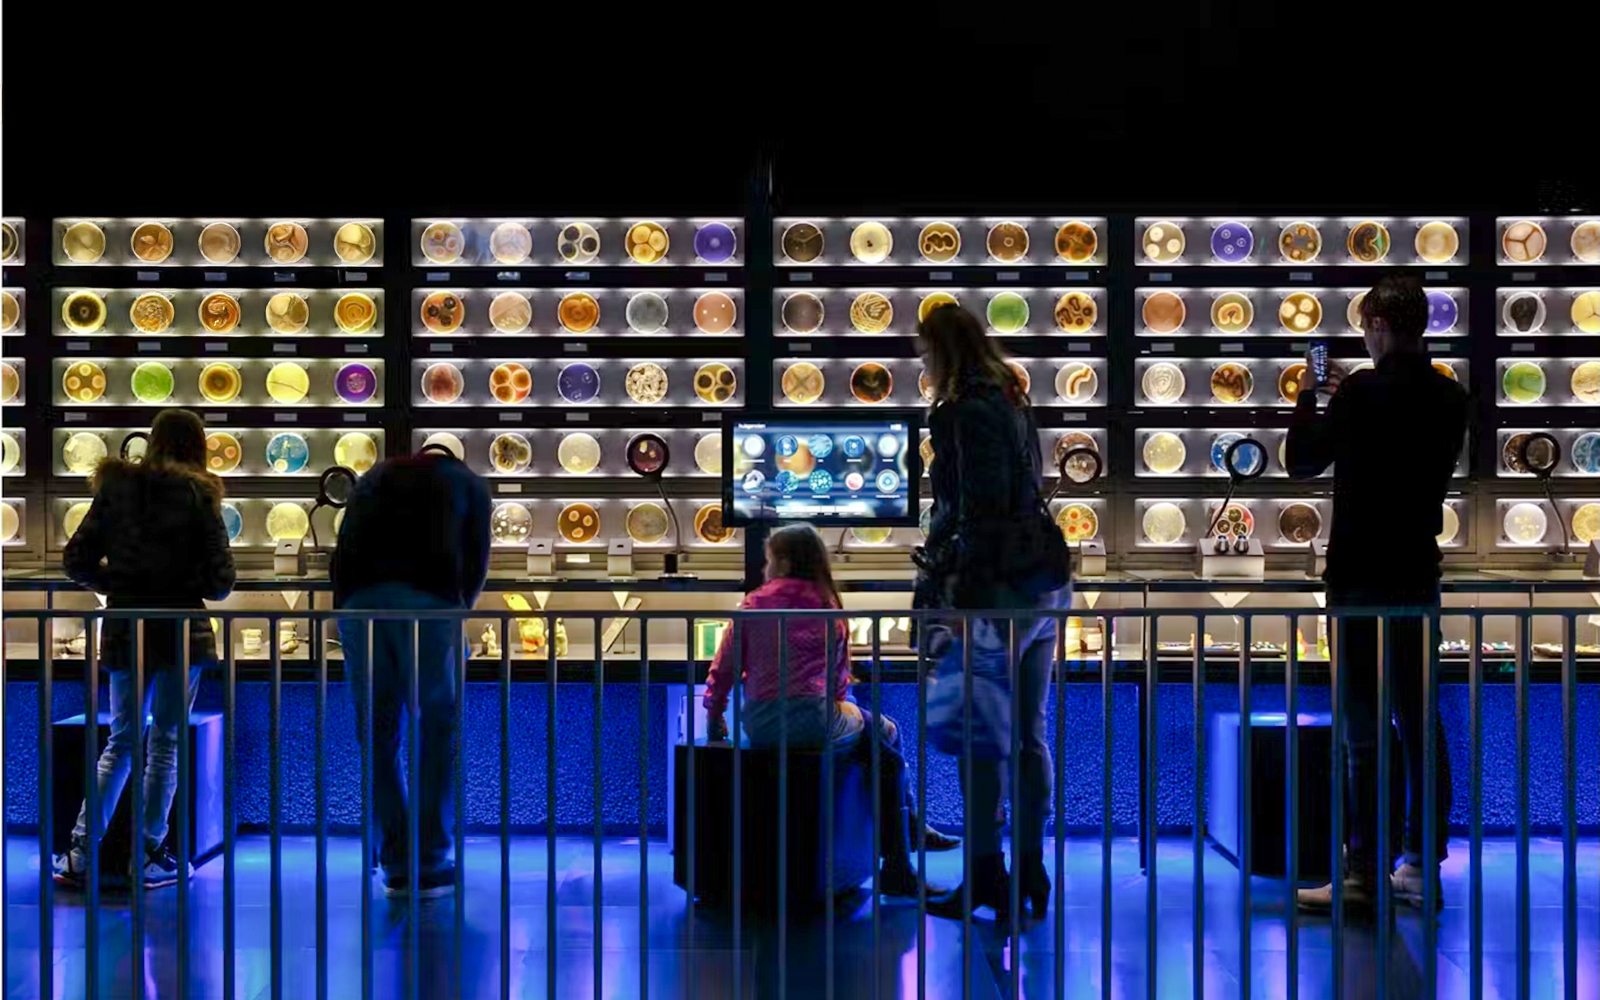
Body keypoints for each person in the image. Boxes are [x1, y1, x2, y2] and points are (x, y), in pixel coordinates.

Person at [1288, 274, 1467, 913]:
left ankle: (1362, 873)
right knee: (1421, 725)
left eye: (1366, 327)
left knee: (1363, 730)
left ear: (1379, 326)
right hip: (1418, 573)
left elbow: (1301, 461)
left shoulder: (1359, 392)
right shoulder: (1452, 399)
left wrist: (1311, 396)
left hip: (1359, 578)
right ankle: (1422, 866)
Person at [702, 523, 958, 898]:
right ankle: (902, 855)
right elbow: (839, 684)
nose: (765, 569)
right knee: (886, 734)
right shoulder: (826, 606)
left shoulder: (752, 604)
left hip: (760, 722)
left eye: (769, 560)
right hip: (815, 721)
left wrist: (715, 715)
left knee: (878, 737)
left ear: (784, 562)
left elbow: (723, 667)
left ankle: (910, 839)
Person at [914, 304, 1067, 923]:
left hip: (992, 595)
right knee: (1029, 734)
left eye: (925, 353)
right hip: (1042, 584)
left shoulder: (957, 411)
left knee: (983, 741)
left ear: (939, 352)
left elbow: (976, 510)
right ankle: (1032, 869)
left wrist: (954, 600)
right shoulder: (1013, 396)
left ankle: (983, 874)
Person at [54, 408, 236, 890]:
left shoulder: (117, 488)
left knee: (122, 742)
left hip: (125, 628)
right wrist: (175, 584)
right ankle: (150, 855)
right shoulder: (200, 494)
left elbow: (76, 559)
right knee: (167, 746)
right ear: (198, 445)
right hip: (181, 631)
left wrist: (122, 585)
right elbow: (221, 582)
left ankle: (79, 851)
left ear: (151, 442)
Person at [330, 444, 490, 898]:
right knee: (436, 728)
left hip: (361, 604)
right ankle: (433, 858)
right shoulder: (467, 484)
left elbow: (341, 552)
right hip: (430, 604)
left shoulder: (376, 476)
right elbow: (475, 565)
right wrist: (458, 610)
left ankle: (396, 860)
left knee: (377, 732)